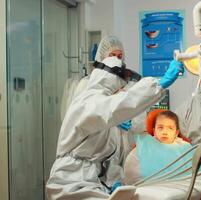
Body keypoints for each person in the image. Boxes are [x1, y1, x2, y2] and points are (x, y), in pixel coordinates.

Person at [46, 35, 184, 200]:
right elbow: (117, 106)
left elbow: (105, 156)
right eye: (113, 57)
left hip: (94, 180)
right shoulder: (89, 98)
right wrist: (159, 84)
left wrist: (113, 182)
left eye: (120, 56)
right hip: (71, 181)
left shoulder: (108, 100)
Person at [122, 109, 192, 185]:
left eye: (170, 128)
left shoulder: (185, 147)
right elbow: (132, 177)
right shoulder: (144, 148)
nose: (165, 132)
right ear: (154, 131)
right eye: (160, 128)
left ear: (176, 133)